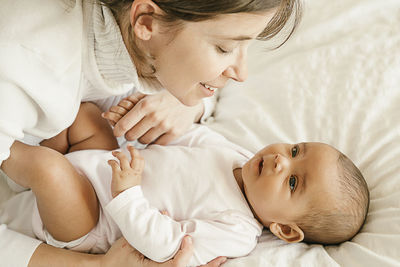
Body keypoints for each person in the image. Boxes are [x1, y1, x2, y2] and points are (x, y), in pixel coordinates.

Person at [0, 0, 302, 265]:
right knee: (51, 167)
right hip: (80, 198)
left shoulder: (140, 46)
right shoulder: (21, 75)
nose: (241, 73)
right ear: (146, 21)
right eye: (225, 48)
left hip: (96, 175)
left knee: (85, 122)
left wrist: (185, 106)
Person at [2, 102, 370, 266]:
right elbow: (179, 138)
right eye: (294, 150)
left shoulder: (237, 230)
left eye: (292, 181)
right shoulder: (235, 156)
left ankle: (8, 150)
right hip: (104, 164)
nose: (280, 159)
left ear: (286, 230)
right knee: (83, 116)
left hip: (94, 220)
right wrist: (133, 117)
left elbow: (165, 247)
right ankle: (17, 163)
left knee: (48, 171)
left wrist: (127, 194)